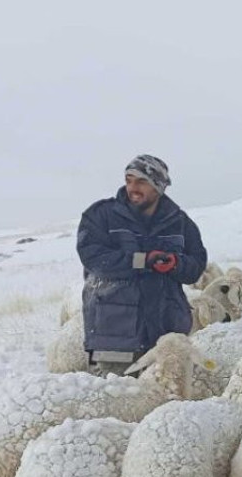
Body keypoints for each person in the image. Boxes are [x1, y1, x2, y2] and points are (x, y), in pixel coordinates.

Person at [76, 154, 208, 374]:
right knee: (120, 401)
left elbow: (196, 265)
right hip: (115, 335)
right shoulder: (100, 216)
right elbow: (94, 258)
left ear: (159, 185)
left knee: (166, 401)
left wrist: (176, 263)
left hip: (167, 334)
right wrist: (142, 260)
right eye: (129, 180)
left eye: (141, 181)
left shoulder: (180, 222)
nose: (132, 187)